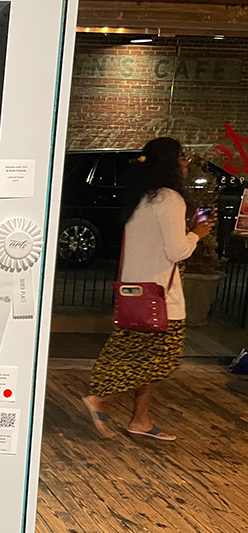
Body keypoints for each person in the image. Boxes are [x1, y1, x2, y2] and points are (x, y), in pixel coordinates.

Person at [82, 137, 215, 442]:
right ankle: (101, 400)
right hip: (161, 298)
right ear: (170, 162)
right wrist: (197, 233)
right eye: (182, 156)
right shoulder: (171, 199)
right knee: (164, 359)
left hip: (135, 293)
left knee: (134, 354)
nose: (186, 162)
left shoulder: (142, 198)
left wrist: (189, 229)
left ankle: (140, 419)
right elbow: (177, 251)